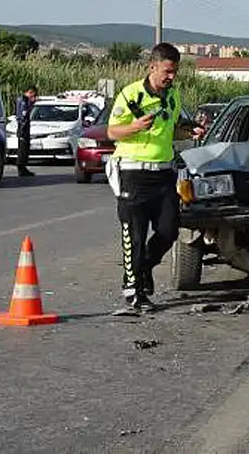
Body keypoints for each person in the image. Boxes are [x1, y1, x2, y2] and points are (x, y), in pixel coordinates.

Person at [106, 43, 183, 312]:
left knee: (169, 230)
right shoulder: (131, 95)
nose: (171, 77)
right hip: (133, 172)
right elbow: (112, 132)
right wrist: (135, 127)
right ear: (152, 67)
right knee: (135, 235)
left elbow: (171, 130)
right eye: (167, 71)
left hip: (163, 173)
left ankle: (145, 267)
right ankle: (134, 292)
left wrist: (192, 131)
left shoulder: (173, 96)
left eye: (174, 72)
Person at [14, 85, 37, 177]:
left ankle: (23, 167)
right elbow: (24, 115)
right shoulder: (24, 101)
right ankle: (21, 167)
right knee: (23, 149)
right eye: (33, 95)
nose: (33, 98)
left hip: (23, 127)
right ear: (30, 92)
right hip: (23, 127)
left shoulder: (22, 99)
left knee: (25, 148)